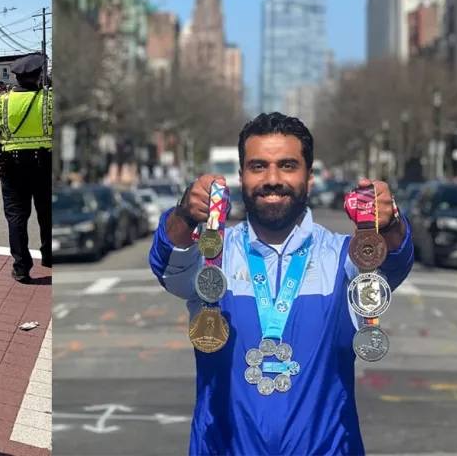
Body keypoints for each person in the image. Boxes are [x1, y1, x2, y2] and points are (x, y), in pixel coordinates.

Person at [149, 113, 414, 455]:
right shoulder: (214, 257)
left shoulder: (343, 257)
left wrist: (389, 222)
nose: (272, 179)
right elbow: (168, 263)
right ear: (241, 176)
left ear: (310, 177)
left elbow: (394, 261)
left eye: (288, 165)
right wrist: (184, 214)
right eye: (258, 166)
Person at [0, 52, 52, 283]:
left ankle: (22, 267)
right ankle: (50, 255)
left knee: (16, 216)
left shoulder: (0, 102)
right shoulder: (50, 100)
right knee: (48, 212)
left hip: (11, 166)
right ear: (39, 76)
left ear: (16, 78)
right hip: (45, 164)